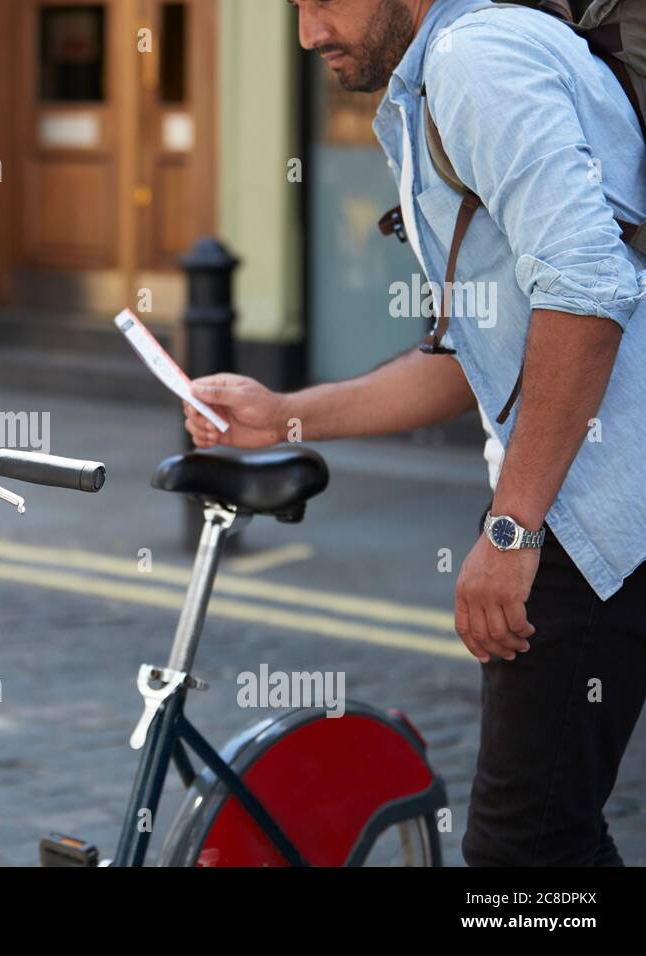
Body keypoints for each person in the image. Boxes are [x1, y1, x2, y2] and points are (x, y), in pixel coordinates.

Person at [187, 0, 646, 865]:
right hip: (599, 506)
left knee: (524, 852)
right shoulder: (445, 75)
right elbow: (481, 352)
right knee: (556, 834)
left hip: (594, 516)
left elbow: (587, 290)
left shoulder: (477, 62)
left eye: (322, 1)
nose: (307, 33)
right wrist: (284, 414)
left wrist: (511, 527)